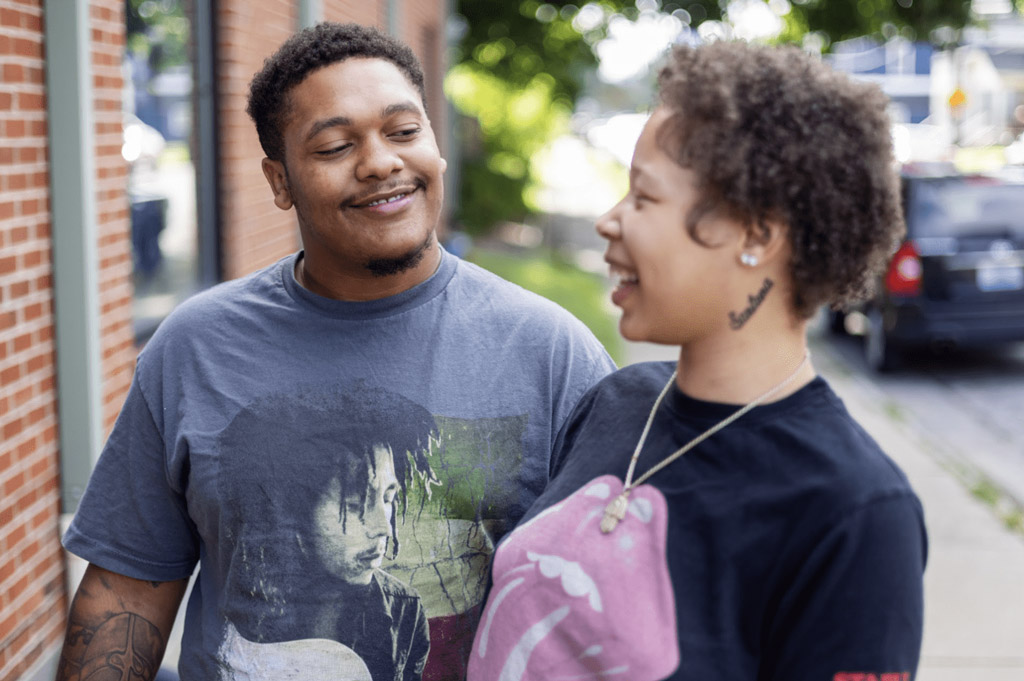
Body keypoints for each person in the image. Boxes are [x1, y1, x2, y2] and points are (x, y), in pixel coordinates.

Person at [57, 22, 616, 681]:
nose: (381, 161)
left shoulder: (553, 355)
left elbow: (610, 608)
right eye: (335, 144)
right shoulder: (194, 348)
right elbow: (127, 592)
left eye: (404, 132)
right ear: (280, 180)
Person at [469, 42, 926, 681]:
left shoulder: (855, 514)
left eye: (643, 198)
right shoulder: (616, 401)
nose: (608, 221)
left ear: (757, 235)